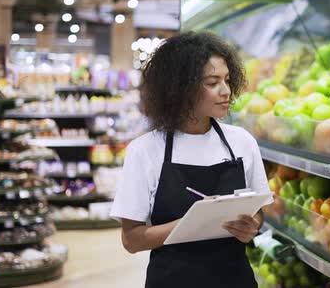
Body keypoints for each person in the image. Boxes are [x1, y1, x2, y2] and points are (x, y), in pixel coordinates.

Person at [110, 31, 272, 288]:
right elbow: (131, 239)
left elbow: (259, 212)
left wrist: (251, 226)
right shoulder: (145, 150)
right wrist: (192, 224)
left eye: (228, 80)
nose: (225, 91)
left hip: (235, 279)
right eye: (212, 82)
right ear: (181, 87)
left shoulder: (241, 142)